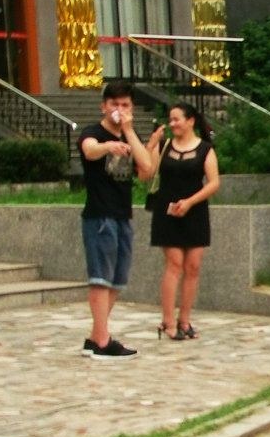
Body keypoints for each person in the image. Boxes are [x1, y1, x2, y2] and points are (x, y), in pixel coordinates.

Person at [78, 80, 152, 359]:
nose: (119, 109)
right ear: (104, 106)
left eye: (125, 105)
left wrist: (129, 132)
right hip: (100, 215)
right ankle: (102, 340)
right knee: (100, 279)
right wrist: (108, 146)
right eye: (114, 104)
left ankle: (96, 336)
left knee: (118, 280)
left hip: (123, 215)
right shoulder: (93, 132)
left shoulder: (130, 135)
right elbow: (89, 149)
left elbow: (146, 168)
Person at [146, 103, 220, 341]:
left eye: (177, 119)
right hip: (167, 211)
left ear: (190, 121)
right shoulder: (164, 145)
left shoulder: (205, 149)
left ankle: (185, 320)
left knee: (193, 266)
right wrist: (151, 145)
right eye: (171, 119)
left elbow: (214, 183)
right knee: (174, 263)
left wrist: (190, 202)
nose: (172, 124)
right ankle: (168, 321)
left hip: (195, 210)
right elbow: (147, 172)